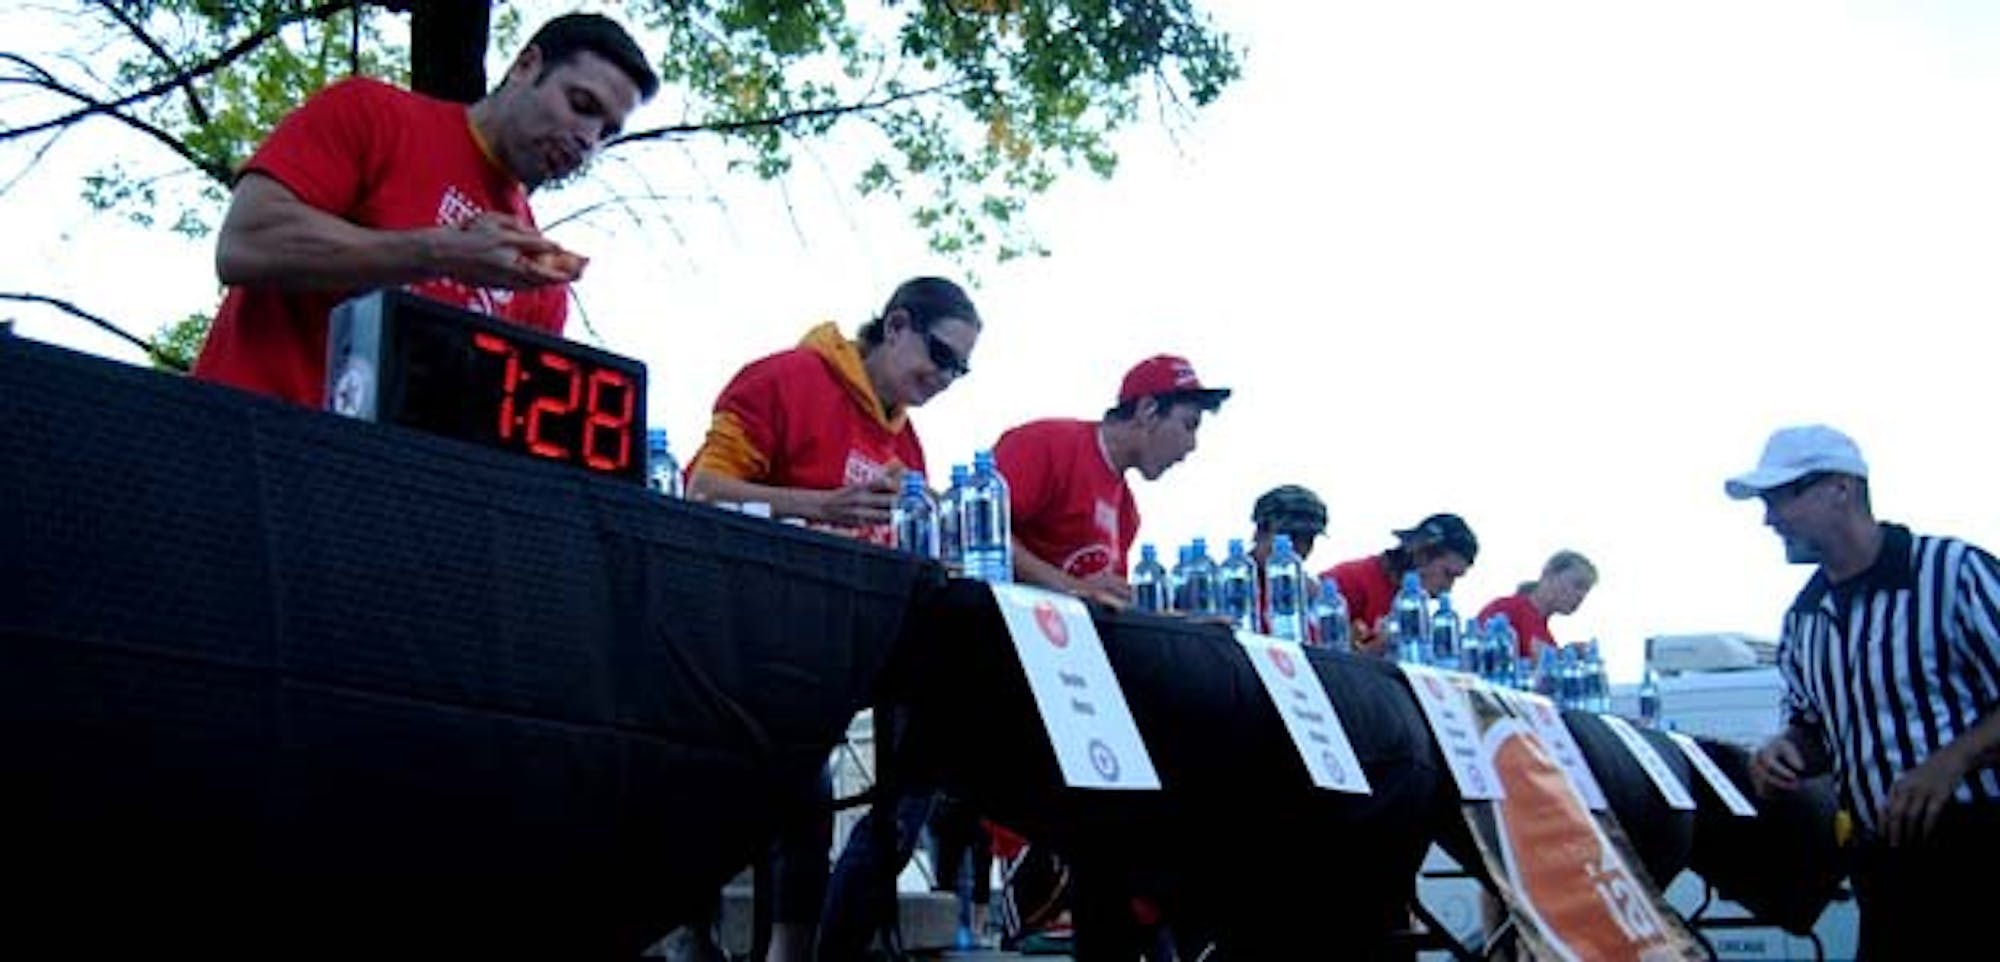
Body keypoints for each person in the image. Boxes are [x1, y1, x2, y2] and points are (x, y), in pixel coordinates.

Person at [687, 276, 983, 962]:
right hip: (748, 640)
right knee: (795, 777)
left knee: (918, 760)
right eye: (941, 355)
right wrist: (823, 506)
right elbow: (701, 492)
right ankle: (709, 940)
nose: (945, 377)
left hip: (851, 654)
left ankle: (817, 947)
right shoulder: (785, 378)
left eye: (960, 369)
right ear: (898, 324)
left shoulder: (908, 448)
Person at [192, 13, 659, 407]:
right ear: (525, 65)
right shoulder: (372, 114)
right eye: (581, 104)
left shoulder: (536, 276)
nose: (586, 140)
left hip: (378, 495)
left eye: (606, 133)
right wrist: (439, 253)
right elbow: (246, 245)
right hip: (243, 442)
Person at [1733, 425, 2000, 960]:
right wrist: (1786, 752)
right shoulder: (1804, 619)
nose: (1770, 520)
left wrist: (1949, 762)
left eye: (1783, 498)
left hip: (1983, 851)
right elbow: (1813, 729)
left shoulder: (1952, 573)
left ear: (1842, 489)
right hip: (1886, 864)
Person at [1001, 354, 1233, 606]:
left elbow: (1105, 601)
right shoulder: (1046, 444)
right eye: (1189, 425)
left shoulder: (1127, 513)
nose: (1192, 446)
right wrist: (1073, 588)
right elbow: (977, 535)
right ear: (1148, 411)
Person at [1319, 513, 1479, 653]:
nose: (1448, 588)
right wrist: (1376, 649)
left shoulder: (1413, 607)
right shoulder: (1348, 581)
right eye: (1448, 574)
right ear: (1421, 555)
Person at [1475, 550, 1598, 658]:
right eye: (1578, 585)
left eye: (1586, 591)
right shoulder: (1505, 608)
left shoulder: (1548, 638)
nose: (1581, 596)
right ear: (1548, 574)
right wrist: (1562, 656)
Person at [1247, 484, 1330, 634]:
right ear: (1260, 532)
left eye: (1308, 539)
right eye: (1291, 537)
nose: (1299, 549)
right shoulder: (1225, 587)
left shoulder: (1311, 596)